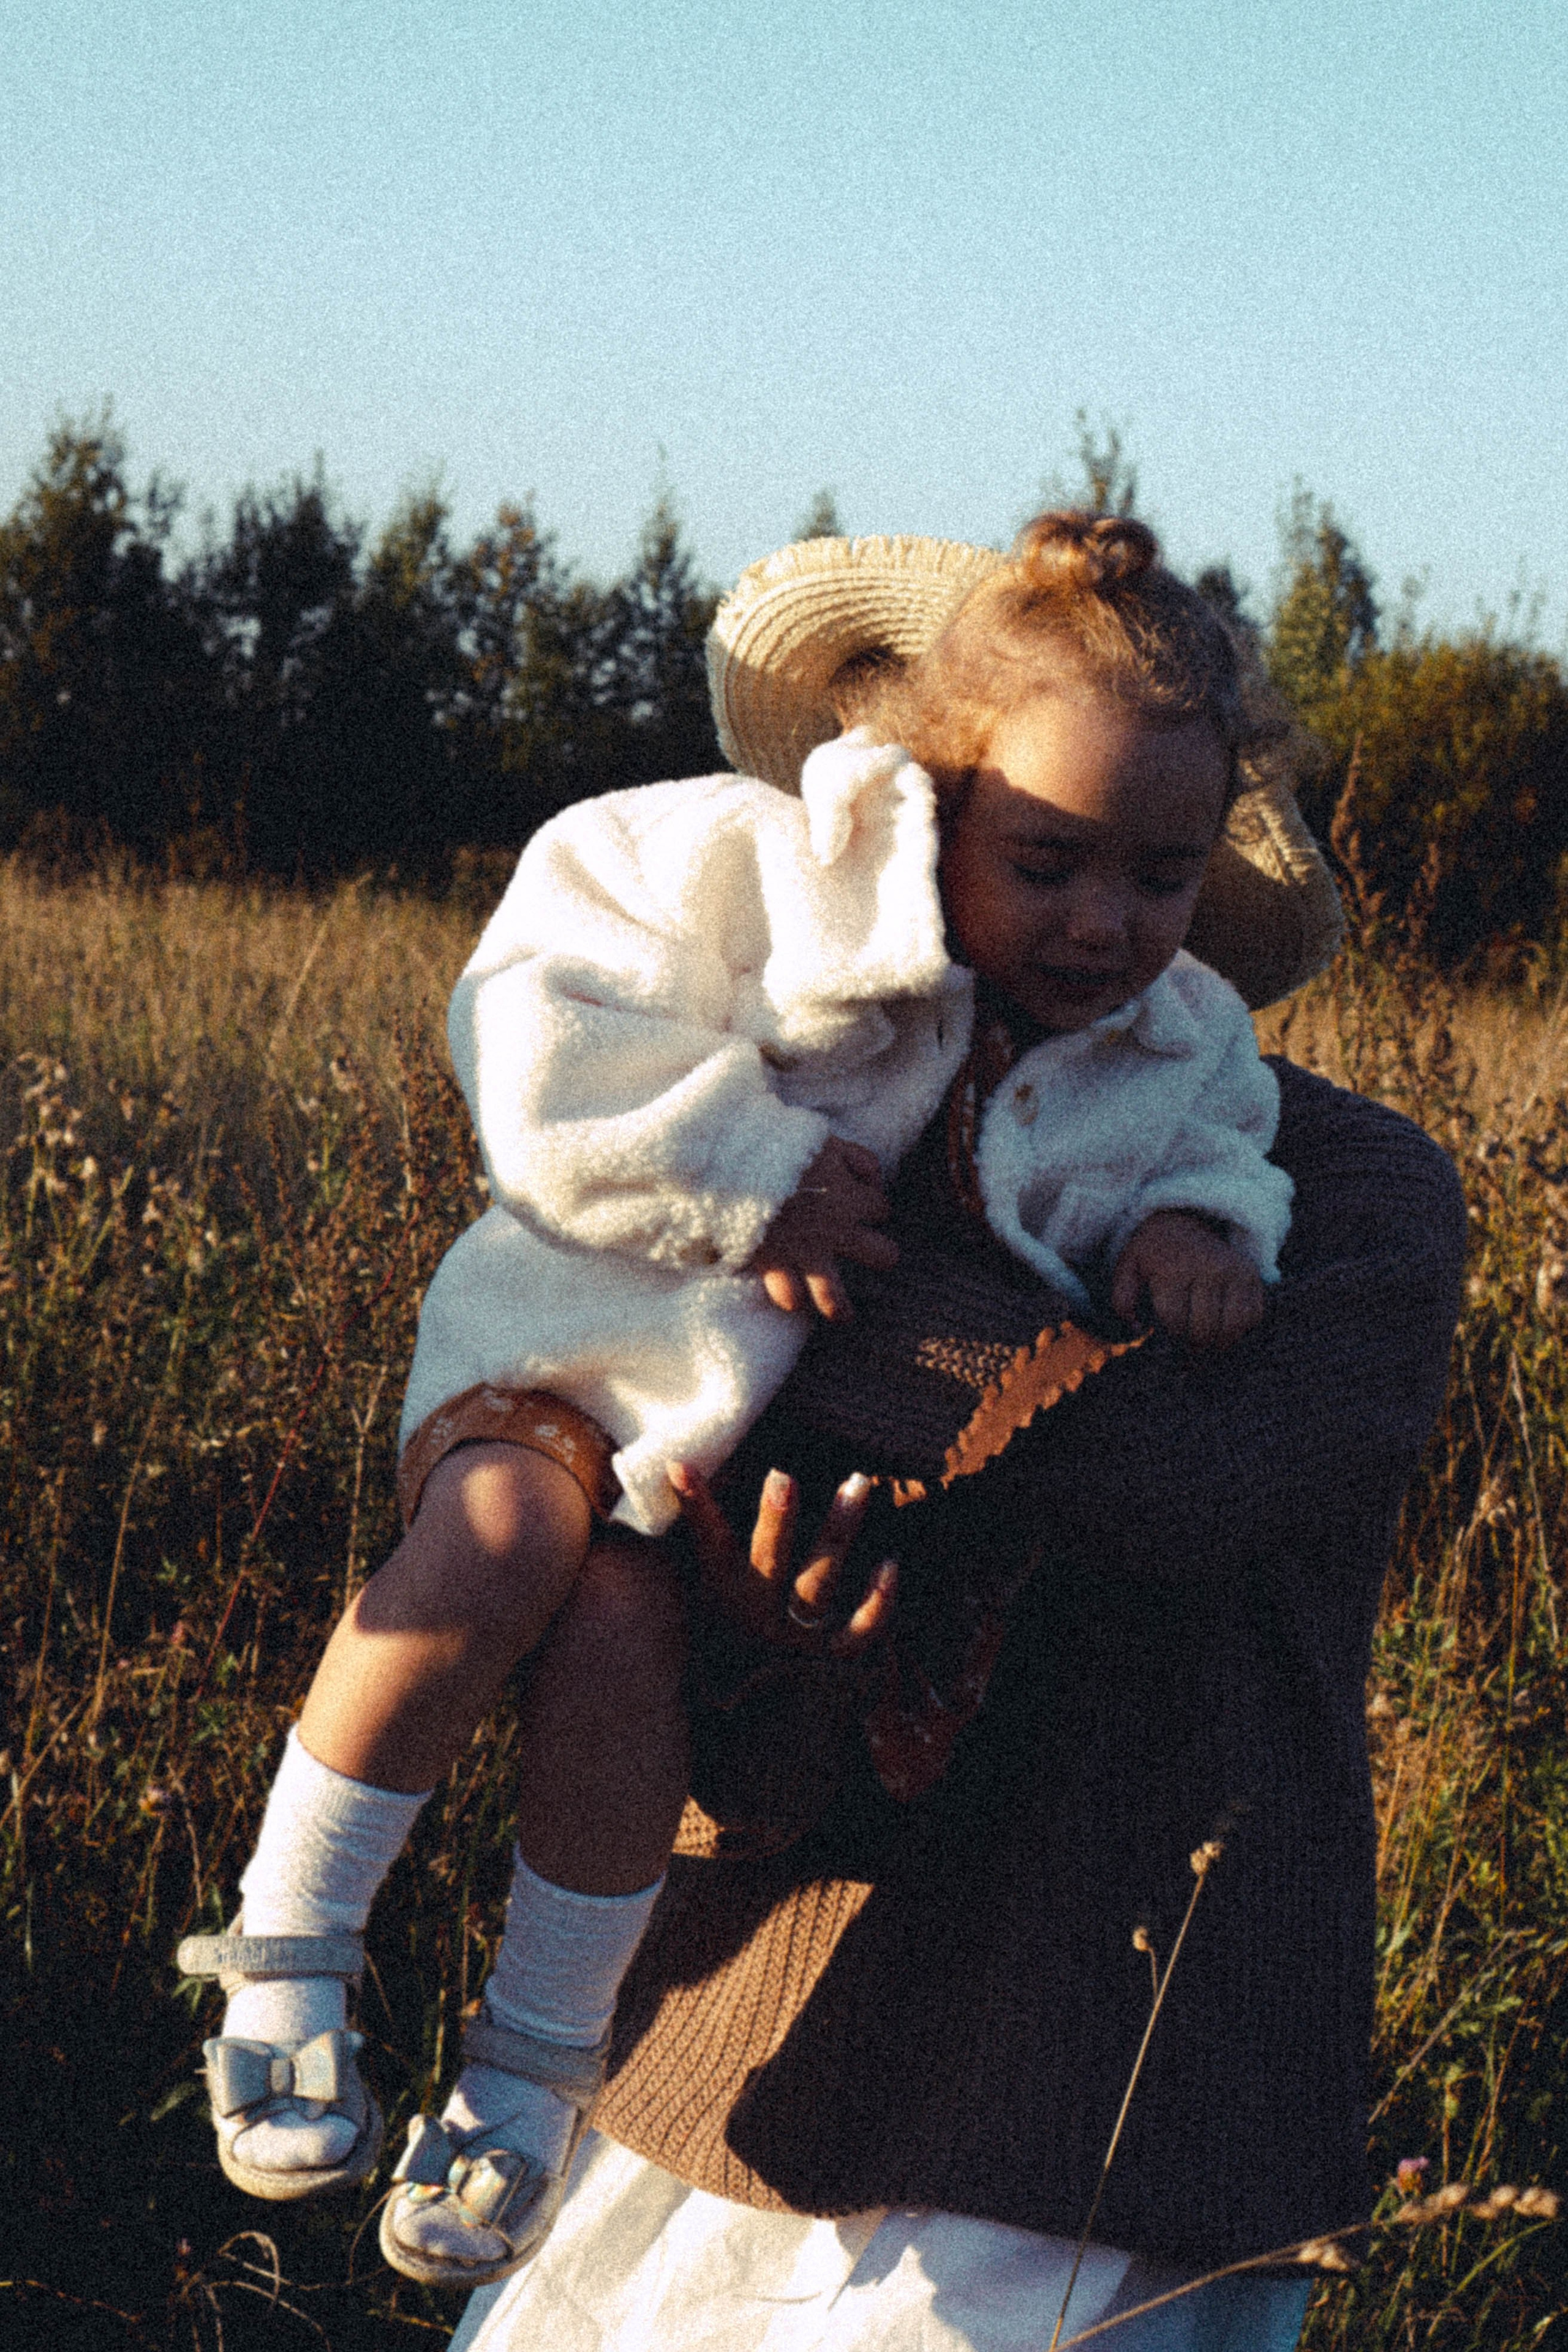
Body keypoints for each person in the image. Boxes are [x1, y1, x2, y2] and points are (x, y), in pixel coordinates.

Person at [173, 516, 1368, 2310]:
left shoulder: (1173, 1034)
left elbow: (1215, 1147)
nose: (1105, 922)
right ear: (933, 787)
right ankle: (288, 1948)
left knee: (621, 1672)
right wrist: (747, 1172)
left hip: (725, 1462)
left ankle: (525, 2074)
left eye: (1164, 875)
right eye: (1049, 862)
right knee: (498, 1540)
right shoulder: (726, 861)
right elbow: (532, 1025)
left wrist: (1207, 1227)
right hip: (579, 1347)